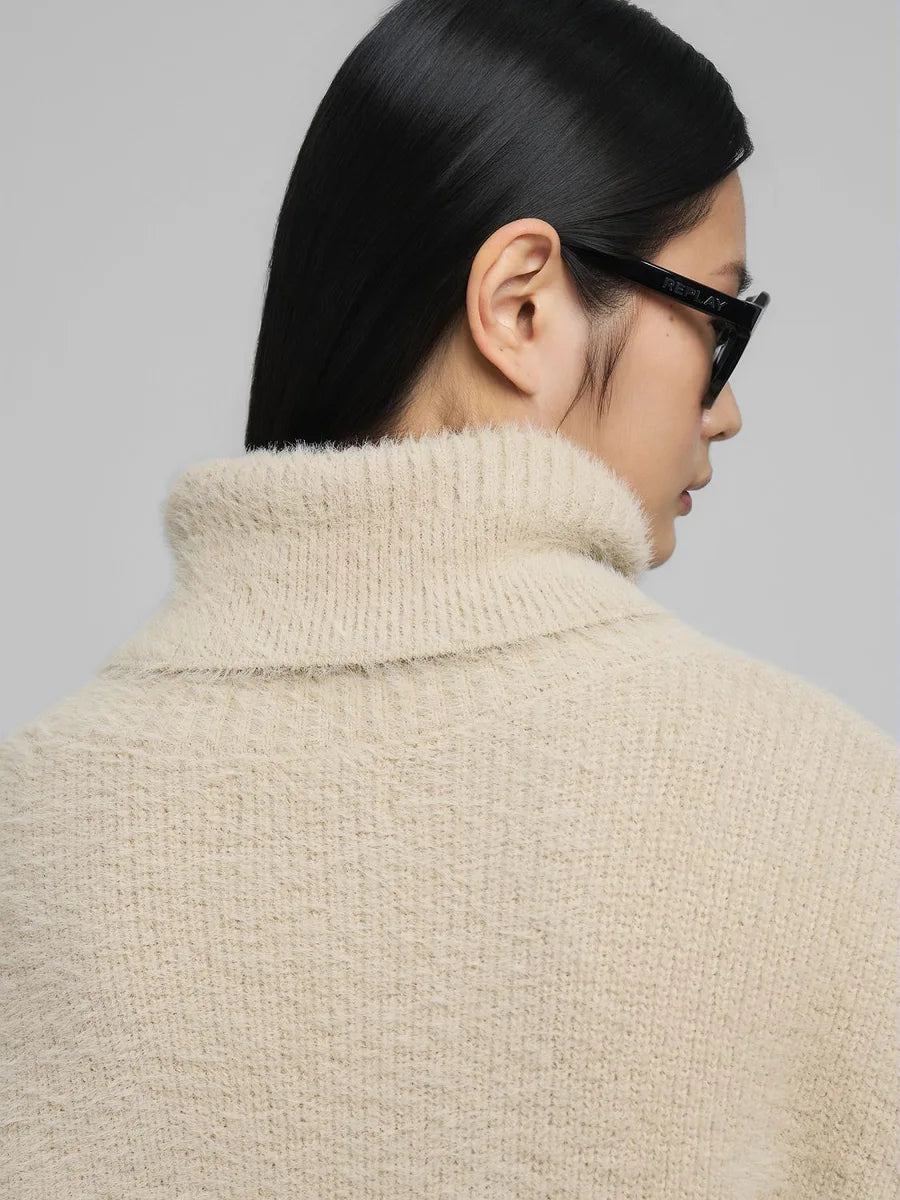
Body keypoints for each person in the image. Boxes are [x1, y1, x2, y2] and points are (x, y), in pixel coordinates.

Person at [2, 0, 896, 1196]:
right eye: (721, 321)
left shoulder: (33, 832)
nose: (724, 409)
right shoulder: (827, 818)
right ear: (523, 305)